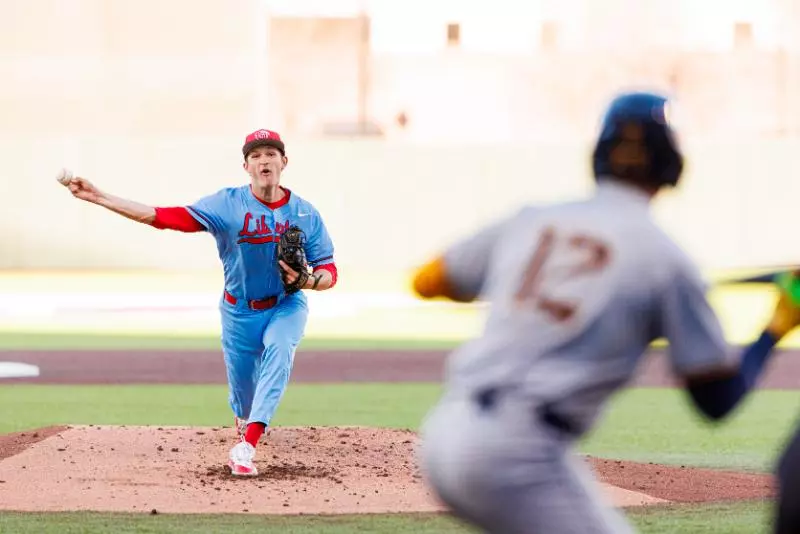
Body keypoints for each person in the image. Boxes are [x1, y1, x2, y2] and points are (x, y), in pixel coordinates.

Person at [410, 91, 800, 533]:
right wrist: (775, 328)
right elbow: (718, 401)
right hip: (518, 454)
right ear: (672, 163)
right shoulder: (665, 260)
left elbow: (427, 281)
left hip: (445, 431)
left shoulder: (533, 219)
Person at [58, 128, 338, 477]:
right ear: (246, 166)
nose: (264, 161)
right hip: (239, 311)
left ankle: (247, 446)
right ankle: (246, 419)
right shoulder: (226, 205)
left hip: (286, 304)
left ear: (284, 161)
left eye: (271, 154)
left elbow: (328, 269)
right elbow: (164, 217)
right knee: (244, 396)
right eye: (255, 155)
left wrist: (309, 281)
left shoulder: (305, 213)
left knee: (280, 349)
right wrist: (100, 197)